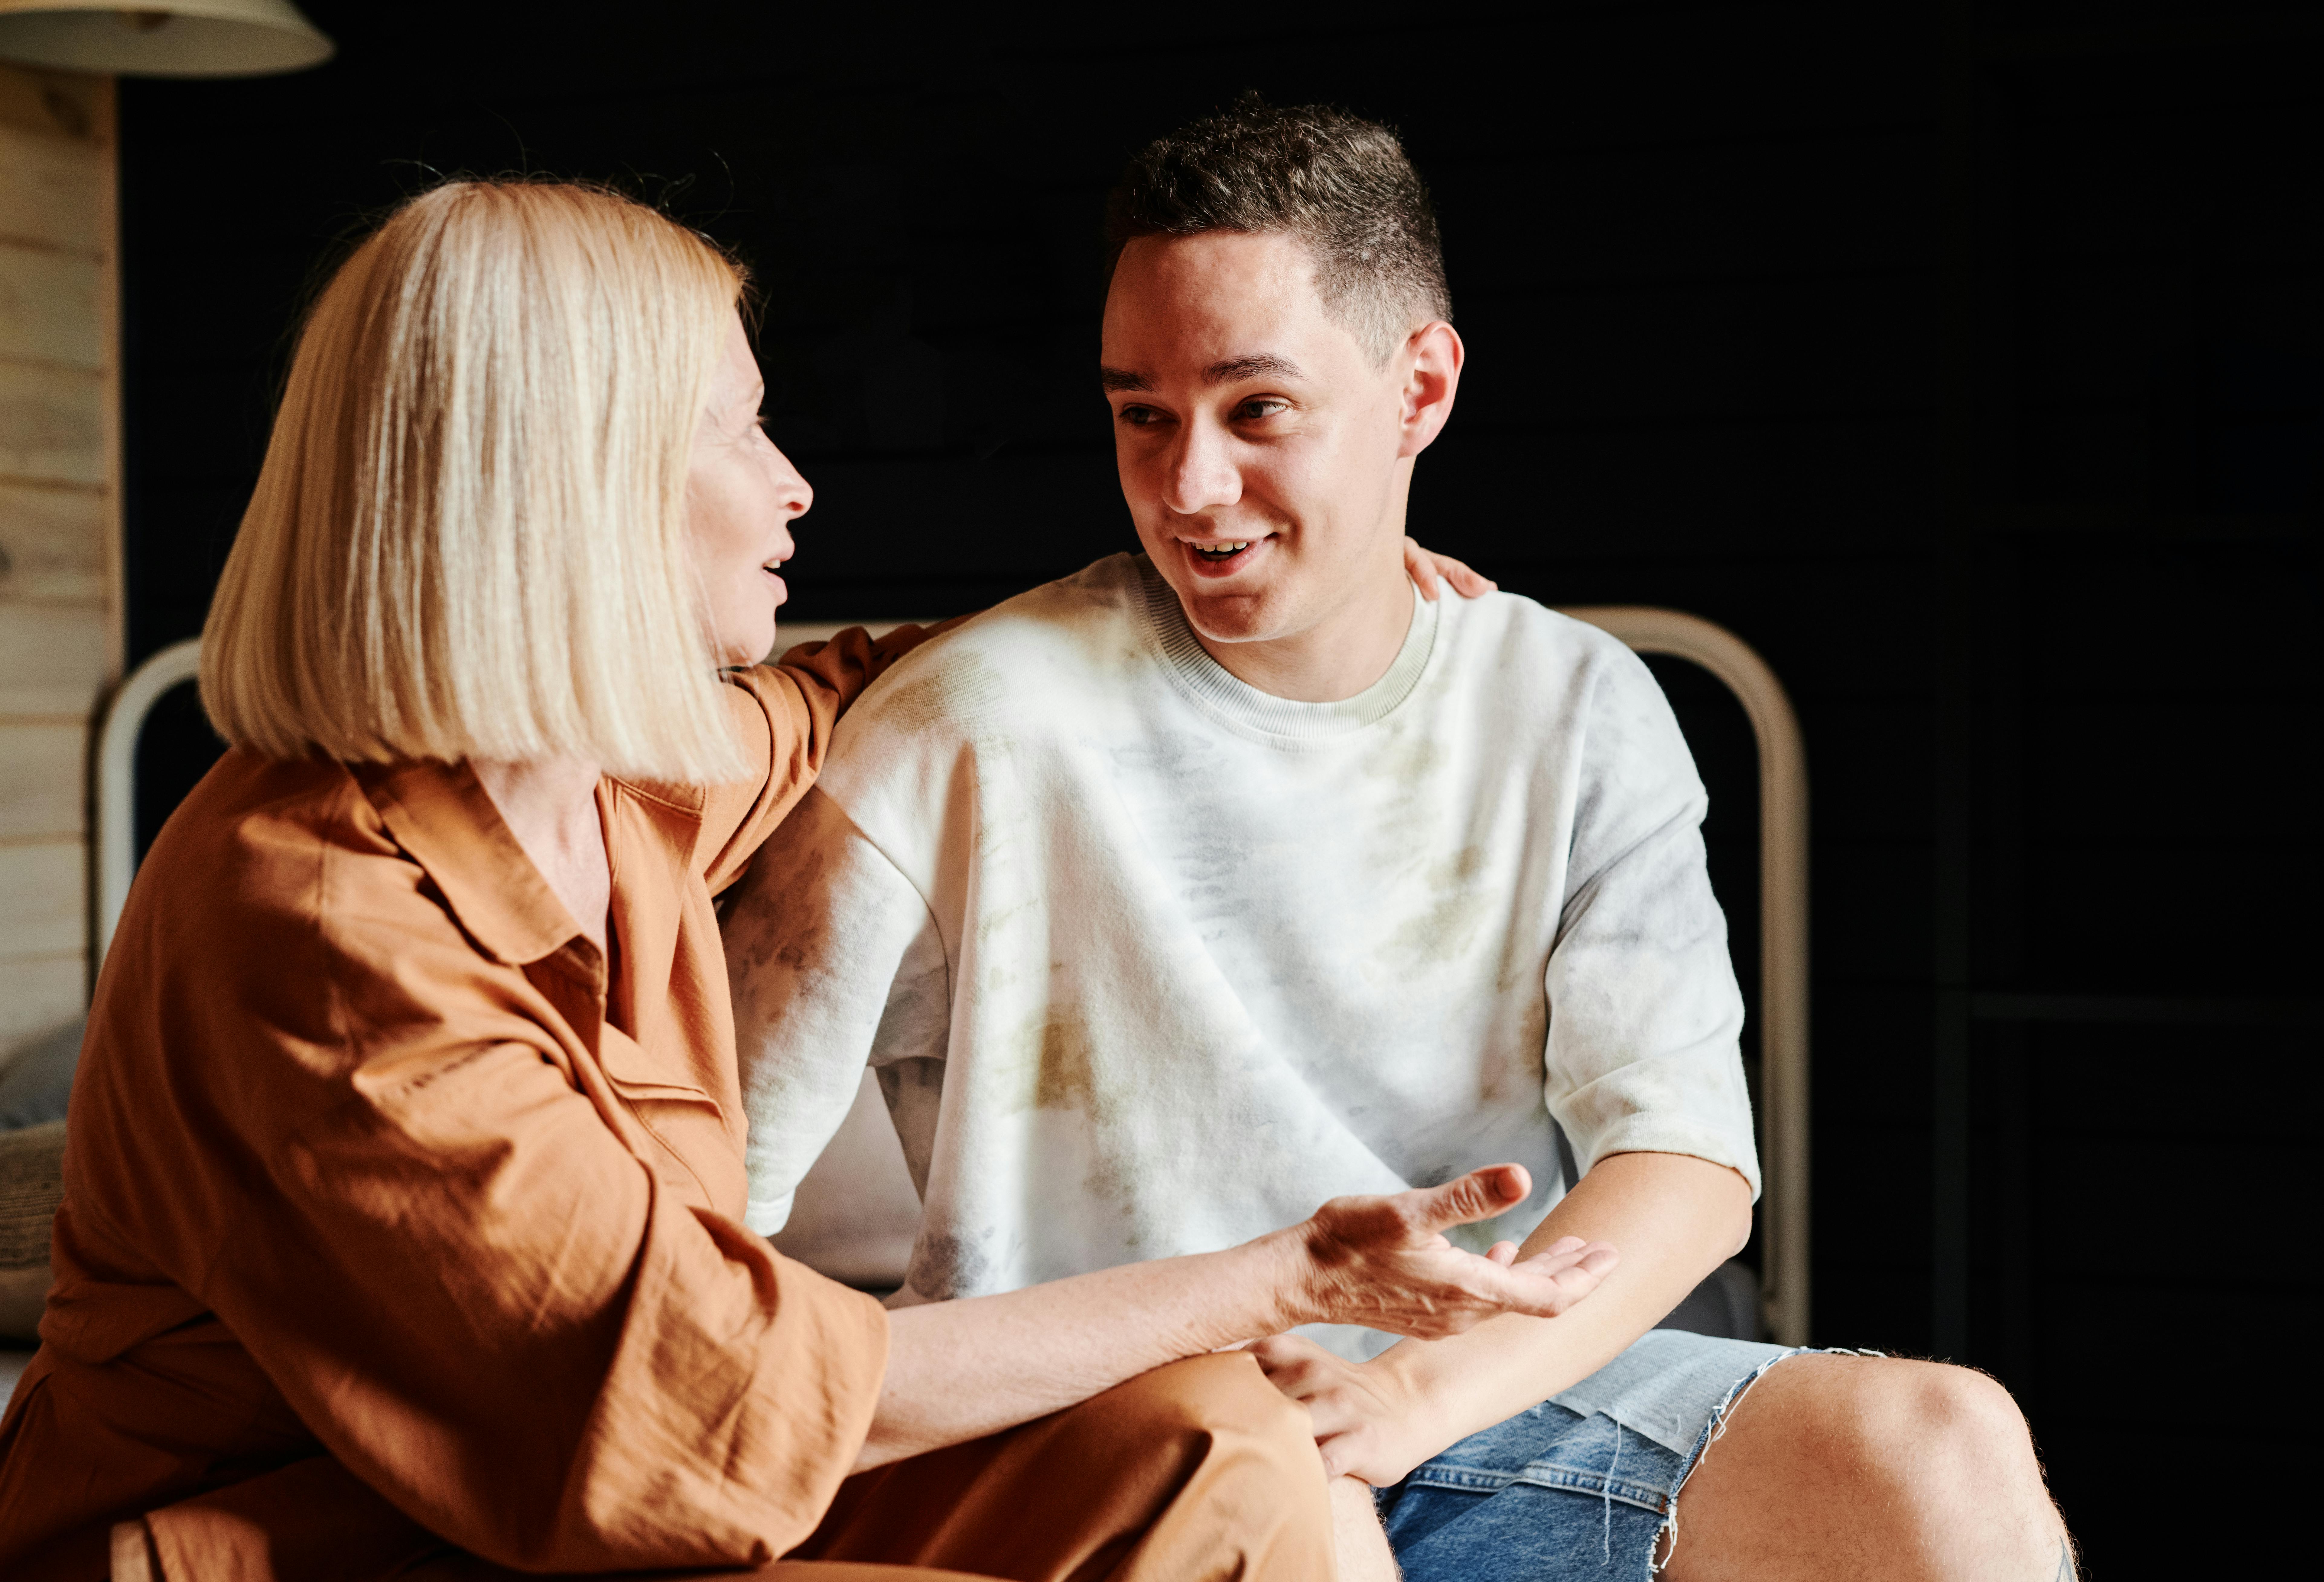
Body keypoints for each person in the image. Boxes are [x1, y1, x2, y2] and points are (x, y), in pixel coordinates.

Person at [0, 178, 1619, 1582]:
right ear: (572, 481)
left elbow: (841, 689)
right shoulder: (326, 934)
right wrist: (1282, 1272)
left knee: (1214, 1451)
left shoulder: (602, 773)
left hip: (625, 1488)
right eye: (735, 431)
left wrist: (1263, 598)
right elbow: (703, 1404)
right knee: (1214, 1414)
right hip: (369, 1542)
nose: (793, 483)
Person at [726, 102, 2077, 1581]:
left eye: (1258, 411)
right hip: (1114, 1429)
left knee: (1941, 1446)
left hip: (1476, 1395)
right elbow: (712, 1221)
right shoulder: (962, 724)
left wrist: (1408, 1396)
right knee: (1300, 1520)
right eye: (1140, 413)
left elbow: (1683, 1157)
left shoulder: (1578, 704)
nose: (1188, 487)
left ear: (1418, 386)